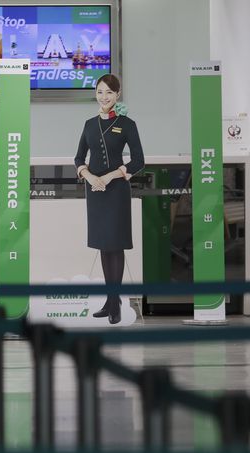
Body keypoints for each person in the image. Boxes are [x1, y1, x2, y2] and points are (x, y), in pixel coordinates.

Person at [74, 74, 145, 325]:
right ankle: (109, 301)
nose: (104, 97)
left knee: (116, 245)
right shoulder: (89, 124)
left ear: (118, 95)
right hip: (95, 192)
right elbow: (78, 158)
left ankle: (115, 303)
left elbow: (138, 160)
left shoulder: (127, 124)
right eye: (100, 92)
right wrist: (90, 177)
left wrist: (112, 175)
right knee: (104, 245)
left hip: (115, 192)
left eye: (109, 93)